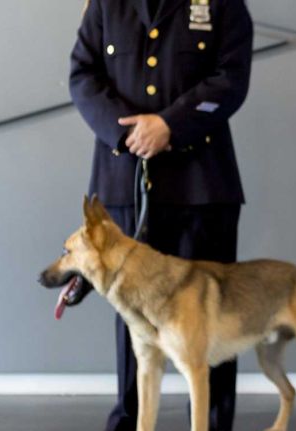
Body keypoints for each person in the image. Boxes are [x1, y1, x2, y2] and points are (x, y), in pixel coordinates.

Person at [68, 0, 253, 429]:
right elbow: (82, 75)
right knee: (132, 318)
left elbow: (232, 76)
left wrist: (171, 124)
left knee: (211, 318)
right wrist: (126, 131)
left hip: (203, 185)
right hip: (123, 181)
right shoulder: (105, 3)